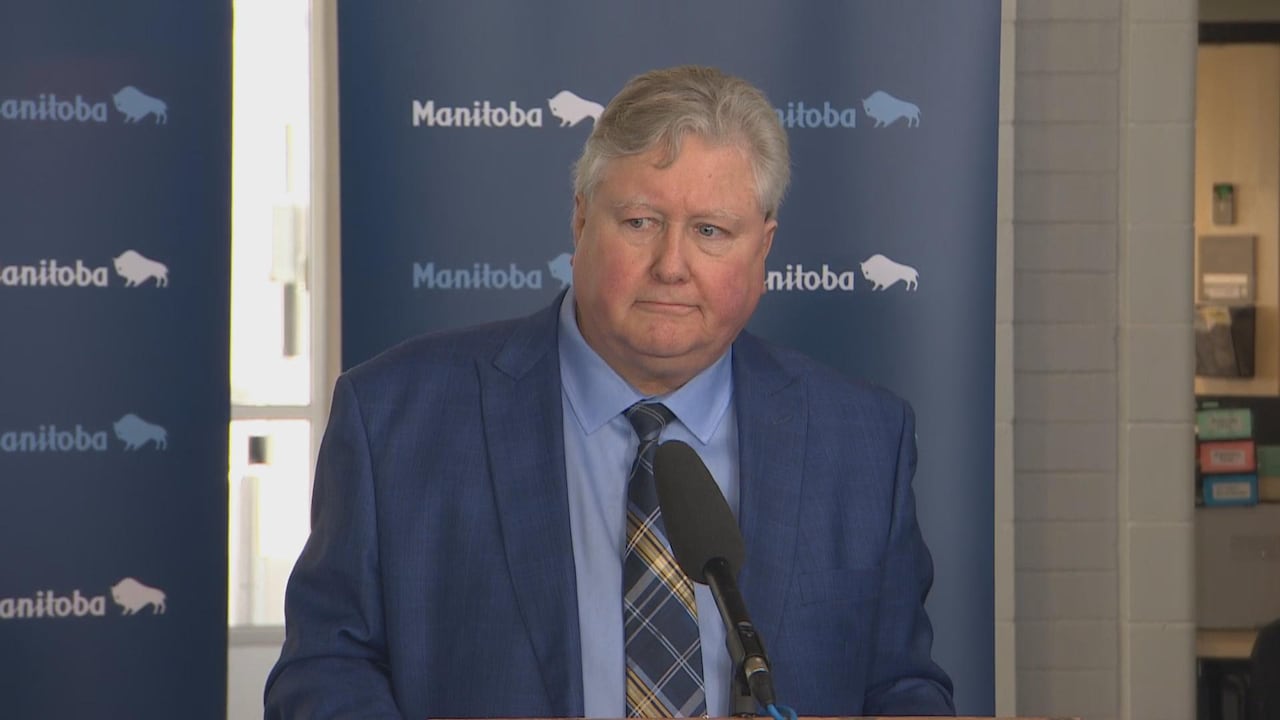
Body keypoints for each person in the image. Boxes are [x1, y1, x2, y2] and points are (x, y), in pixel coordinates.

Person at [264, 65, 954, 719]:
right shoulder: (396, 418)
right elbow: (325, 670)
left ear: (762, 248)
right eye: (640, 222)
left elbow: (899, 684)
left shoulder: (861, 439)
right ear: (581, 218)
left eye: (711, 231)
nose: (672, 265)